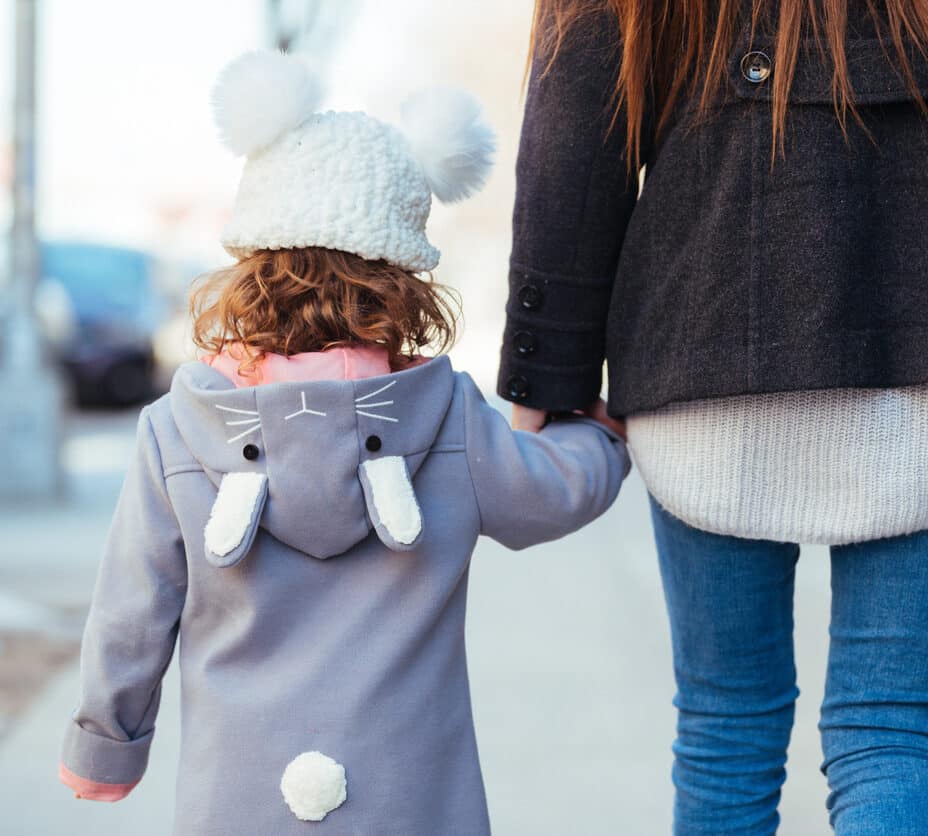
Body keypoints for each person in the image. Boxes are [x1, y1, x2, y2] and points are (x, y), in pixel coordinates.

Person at [57, 51, 629, 835]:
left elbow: (131, 611)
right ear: (403, 283)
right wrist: (603, 435)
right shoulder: (446, 419)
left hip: (237, 802)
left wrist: (104, 748)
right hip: (414, 803)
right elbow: (556, 491)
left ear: (252, 265)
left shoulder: (179, 431)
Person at [498, 1, 928, 833]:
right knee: (893, 731)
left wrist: (547, 375)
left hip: (704, 331)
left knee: (725, 727)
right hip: (914, 340)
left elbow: (573, 138)